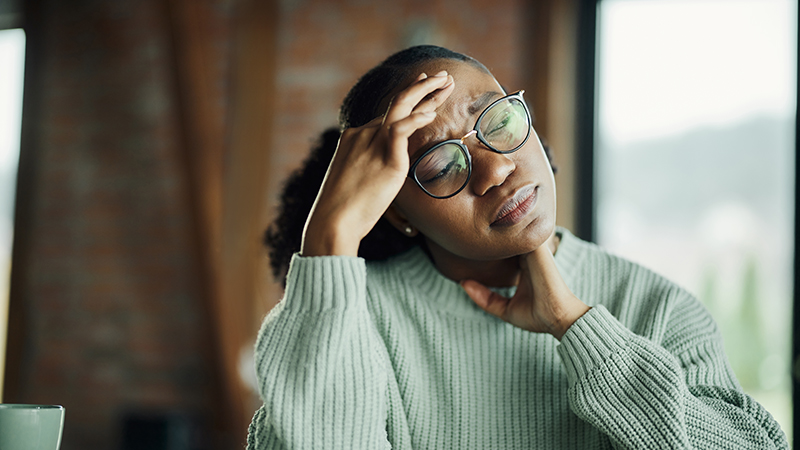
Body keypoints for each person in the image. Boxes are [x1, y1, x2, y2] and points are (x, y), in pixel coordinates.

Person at [246, 45, 789, 449]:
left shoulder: (656, 309)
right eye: (439, 164)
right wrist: (329, 241)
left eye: (499, 121)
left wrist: (581, 331)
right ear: (398, 212)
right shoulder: (347, 323)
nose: (497, 168)